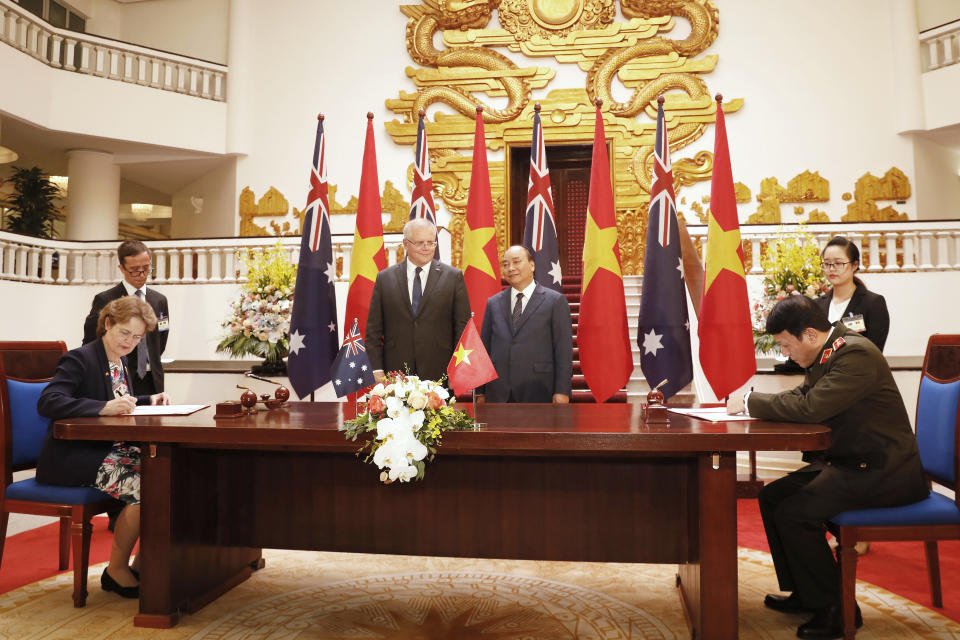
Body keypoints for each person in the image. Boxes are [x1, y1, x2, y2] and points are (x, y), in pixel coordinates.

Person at [726, 295, 926, 639]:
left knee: (795, 511)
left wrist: (748, 401)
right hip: (853, 462)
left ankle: (836, 610)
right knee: (774, 495)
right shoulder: (830, 350)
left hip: (884, 471)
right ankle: (807, 592)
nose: (786, 354)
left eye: (787, 345)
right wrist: (751, 402)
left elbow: (811, 408)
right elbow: (802, 397)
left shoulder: (855, 354)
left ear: (810, 336)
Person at [37, 296, 171, 599]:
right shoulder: (80, 358)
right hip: (76, 457)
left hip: (111, 451)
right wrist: (102, 408)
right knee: (145, 487)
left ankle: (144, 563)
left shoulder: (120, 361)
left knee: (168, 472)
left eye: (137, 337)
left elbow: (120, 403)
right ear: (108, 323)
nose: (130, 342)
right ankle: (116, 570)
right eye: (125, 333)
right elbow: (48, 402)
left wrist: (151, 400)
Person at [366, 218, 471, 381]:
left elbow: (462, 328)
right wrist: (376, 369)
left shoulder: (453, 277)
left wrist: (458, 370)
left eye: (431, 242)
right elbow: (373, 331)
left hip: (439, 372)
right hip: (395, 373)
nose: (426, 248)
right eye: (420, 243)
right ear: (405, 243)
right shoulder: (385, 278)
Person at [478, 245, 572, 403]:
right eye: (505, 264)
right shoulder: (493, 303)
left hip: (540, 390)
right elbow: (484, 349)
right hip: (498, 392)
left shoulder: (554, 301)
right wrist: (480, 392)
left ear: (532, 265)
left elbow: (563, 350)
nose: (510, 268)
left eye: (516, 262)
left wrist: (562, 390)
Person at [83, 240, 170, 396]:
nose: (142, 275)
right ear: (121, 268)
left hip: (153, 378)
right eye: (135, 270)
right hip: (119, 377)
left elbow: (161, 337)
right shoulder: (106, 299)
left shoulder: (159, 300)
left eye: (146, 268)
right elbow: (91, 340)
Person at [815, 235, 889, 351]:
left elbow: (874, 351)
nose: (831, 268)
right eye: (827, 263)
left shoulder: (873, 303)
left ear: (854, 265)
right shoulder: (817, 305)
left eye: (838, 263)